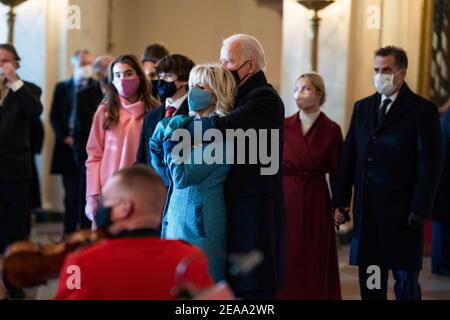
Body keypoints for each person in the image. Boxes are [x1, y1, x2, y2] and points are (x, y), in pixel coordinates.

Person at [333, 46, 443, 300]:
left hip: (404, 215)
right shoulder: (363, 108)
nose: (380, 75)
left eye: (386, 70)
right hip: (369, 214)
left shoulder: (421, 110)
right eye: (376, 70)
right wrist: (340, 202)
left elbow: (431, 163)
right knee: (372, 282)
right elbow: (349, 157)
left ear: (401, 73)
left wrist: (421, 208)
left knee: (405, 285)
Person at [195, 34, 284, 299]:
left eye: (229, 62)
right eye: (221, 61)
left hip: (254, 204)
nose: (223, 69)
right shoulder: (241, 96)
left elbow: (220, 129)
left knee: (253, 283)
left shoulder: (264, 98)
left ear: (251, 66)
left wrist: (191, 121)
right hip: (240, 199)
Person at [54, 165, 214, 300]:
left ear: (125, 208)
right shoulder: (192, 260)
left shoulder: (81, 262)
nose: (101, 209)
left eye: (105, 201)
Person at [150, 64, 236, 281]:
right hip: (174, 218)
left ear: (216, 95)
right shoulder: (185, 124)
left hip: (201, 226)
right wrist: (157, 145)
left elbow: (182, 177)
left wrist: (170, 140)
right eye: (191, 86)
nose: (192, 93)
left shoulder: (223, 138)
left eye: (200, 87)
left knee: (201, 286)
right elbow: (164, 174)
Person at [276, 73, 342, 300]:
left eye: (305, 89)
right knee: (287, 252)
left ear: (319, 94)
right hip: (286, 196)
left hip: (315, 197)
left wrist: (340, 206)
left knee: (313, 253)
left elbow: (337, 173)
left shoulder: (331, 130)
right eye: (295, 89)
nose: (298, 94)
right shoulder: (284, 126)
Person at [85, 54, 159, 226]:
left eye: (128, 73)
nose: (123, 79)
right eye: (117, 75)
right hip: (109, 189)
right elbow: (94, 156)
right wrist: (93, 195)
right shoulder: (105, 111)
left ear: (139, 76)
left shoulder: (154, 111)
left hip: (141, 190)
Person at [0, 44, 43, 254]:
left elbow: (35, 111)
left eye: (5, 61)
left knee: (15, 227)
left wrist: (14, 83)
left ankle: (13, 277)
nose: (1, 66)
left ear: (16, 64)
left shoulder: (29, 89)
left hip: (15, 170)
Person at [50, 49, 96, 235]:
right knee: (70, 195)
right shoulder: (62, 87)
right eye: (82, 63)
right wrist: (64, 137)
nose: (86, 67)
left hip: (88, 148)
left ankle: (84, 233)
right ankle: (68, 234)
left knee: (87, 193)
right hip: (66, 148)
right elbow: (54, 116)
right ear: (74, 64)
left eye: (89, 64)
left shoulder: (96, 87)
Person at [72, 55, 114, 230]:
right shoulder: (85, 94)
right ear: (99, 73)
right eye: (109, 67)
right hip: (91, 156)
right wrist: (82, 159)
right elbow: (80, 129)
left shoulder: (123, 96)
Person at [137, 54, 194, 166]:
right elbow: (142, 158)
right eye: (160, 75)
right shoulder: (151, 116)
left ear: (185, 80)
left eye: (168, 76)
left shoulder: (194, 114)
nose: (161, 81)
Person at [431, 108, 450, 276]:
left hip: (442, 180)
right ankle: (442, 264)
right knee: (443, 226)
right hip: (444, 181)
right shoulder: (447, 118)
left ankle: (442, 263)